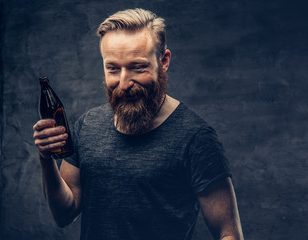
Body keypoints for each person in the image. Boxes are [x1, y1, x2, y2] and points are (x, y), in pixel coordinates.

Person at [33, 8, 244, 240]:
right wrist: (46, 158)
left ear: (163, 61)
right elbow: (64, 214)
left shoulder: (195, 137)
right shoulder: (87, 126)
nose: (124, 83)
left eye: (137, 67)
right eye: (113, 68)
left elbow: (229, 234)